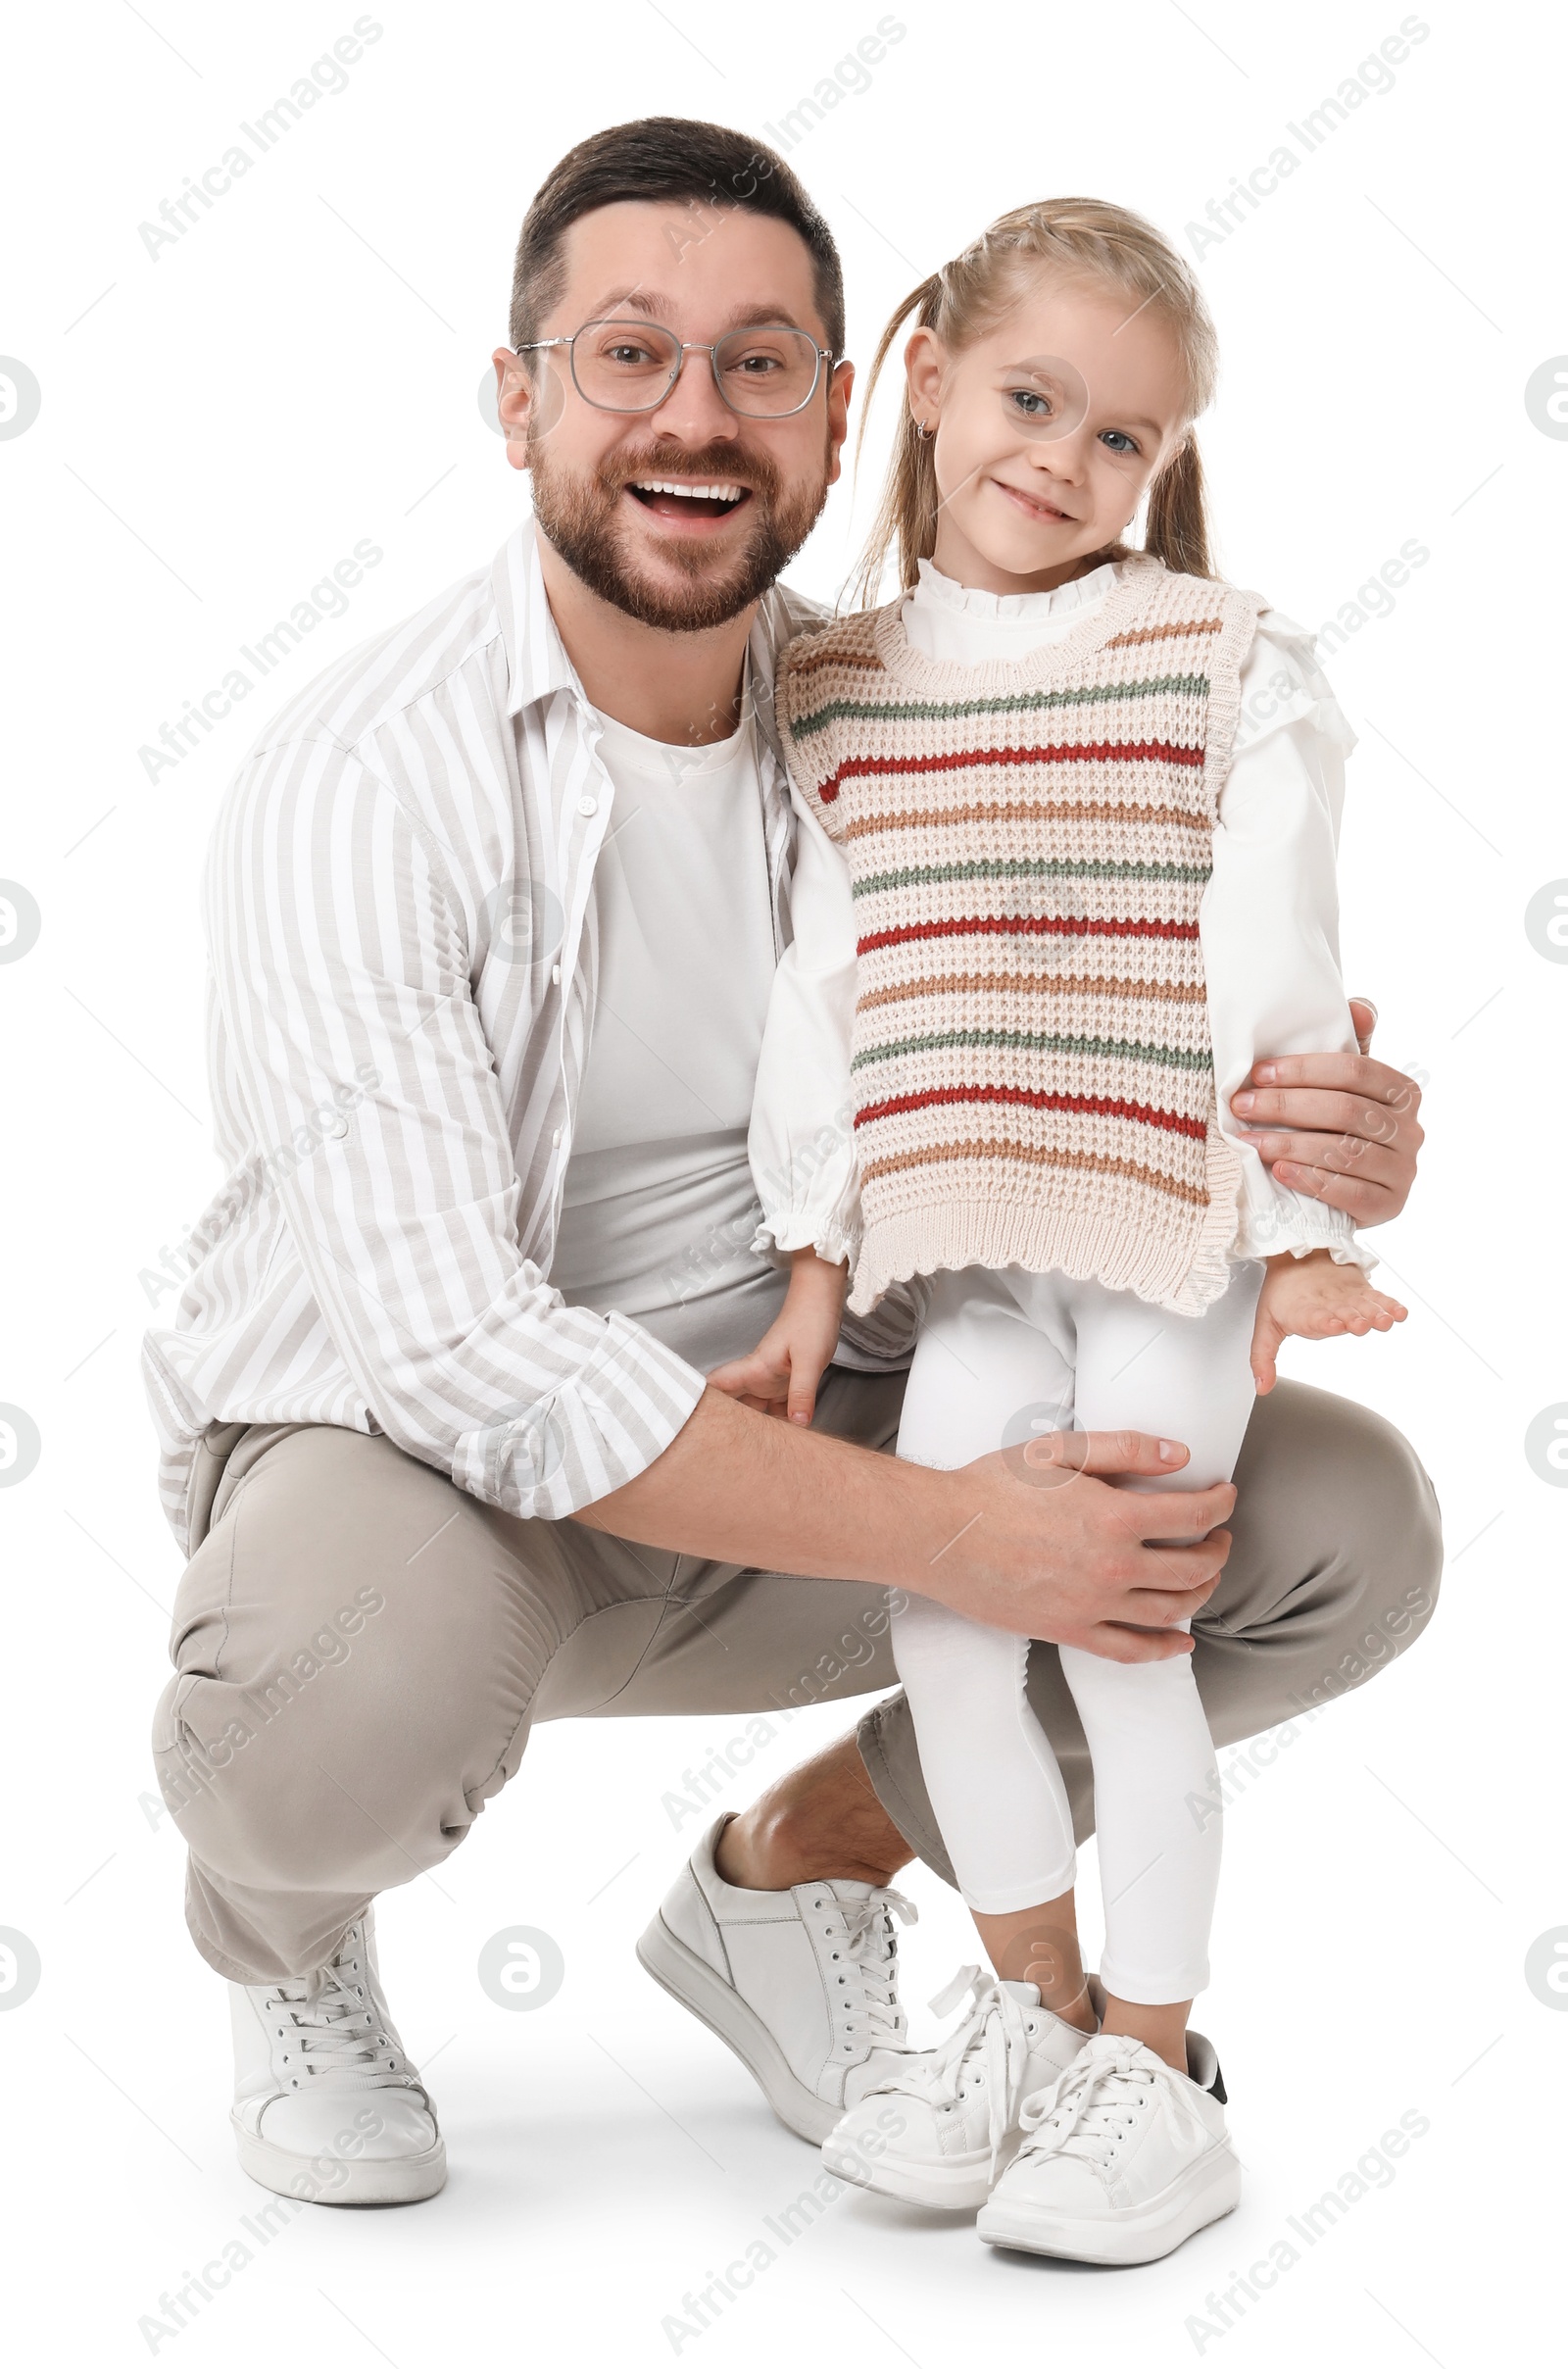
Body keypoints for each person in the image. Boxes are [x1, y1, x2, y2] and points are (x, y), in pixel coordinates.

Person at [143, 119, 1438, 2211]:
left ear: (847, 409)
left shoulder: (901, 715)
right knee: (319, 1713)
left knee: (1328, 1529)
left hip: (800, 1426)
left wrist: (1290, 1133)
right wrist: (946, 1532)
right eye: (625, 353)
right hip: (425, 1477)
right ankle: (284, 1944)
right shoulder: (361, 782)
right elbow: (461, 1353)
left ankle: (792, 1879)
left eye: (757, 364)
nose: (693, 415)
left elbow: (1046, 1064)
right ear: (516, 399)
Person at [712, 196, 1410, 2265]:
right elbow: (825, 1006)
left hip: (1164, 1228)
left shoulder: (1209, 660)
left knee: (1123, 1637)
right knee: (947, 1622)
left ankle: (1152, 2058)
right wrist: (811, 1269)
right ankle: (1018, 2021)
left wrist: (1288, 1233)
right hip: (964, 1249)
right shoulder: (835, 693)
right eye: (1029, 398)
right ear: (921, 374)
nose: (1063, 460)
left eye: (1119, 438)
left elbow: (1272, 955)